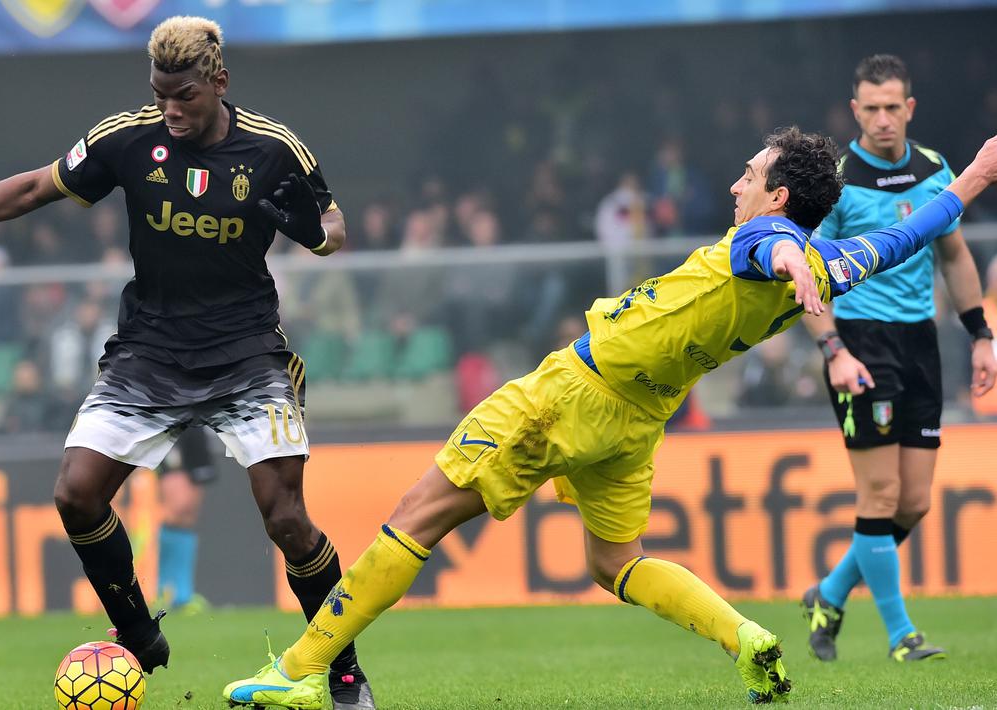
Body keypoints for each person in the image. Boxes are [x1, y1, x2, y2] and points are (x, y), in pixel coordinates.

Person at [222, 127, 997, 708]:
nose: (735, 184)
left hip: (568, 395)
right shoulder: (832, 260)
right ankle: (746, 636)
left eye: (749, 174)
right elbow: (904, 237)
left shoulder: (767, 242)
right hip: (635, 423)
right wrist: (972, 178)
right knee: (613, 563)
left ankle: (298, 672)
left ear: (778, 196)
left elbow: (771, 248)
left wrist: (792, 262)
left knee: (416, 517)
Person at [0, 16, 376, 709]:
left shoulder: (274, 149)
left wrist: (313, 234)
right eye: (160, 95)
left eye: (183, 95)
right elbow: (35, 188)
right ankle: (136, 628)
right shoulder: (128, 138)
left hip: (248, 352)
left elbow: (333, 227)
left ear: (218, 82)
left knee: (285, 520)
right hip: (150, 349)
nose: (170, 110)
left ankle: (340, 670)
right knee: (76, 492)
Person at [800, 55, 996, 663]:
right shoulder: (835, 183)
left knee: (913, 503)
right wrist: (831, 349)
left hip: (920, 343)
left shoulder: (937, 169)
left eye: (893, 107)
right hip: (860, 342)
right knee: (880, 496)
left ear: (909, 108)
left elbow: (956, 256)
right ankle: (900, 635)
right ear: (854, 110)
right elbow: (809, 276)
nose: (883, 119)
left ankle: (828, 593)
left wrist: (981, 334)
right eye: (871, 108)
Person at [156, 427, 216, 615]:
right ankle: (166, 592)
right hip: (176, 431)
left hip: (196, 433)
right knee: (176, 513)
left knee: (187, 517)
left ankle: (183, 593)